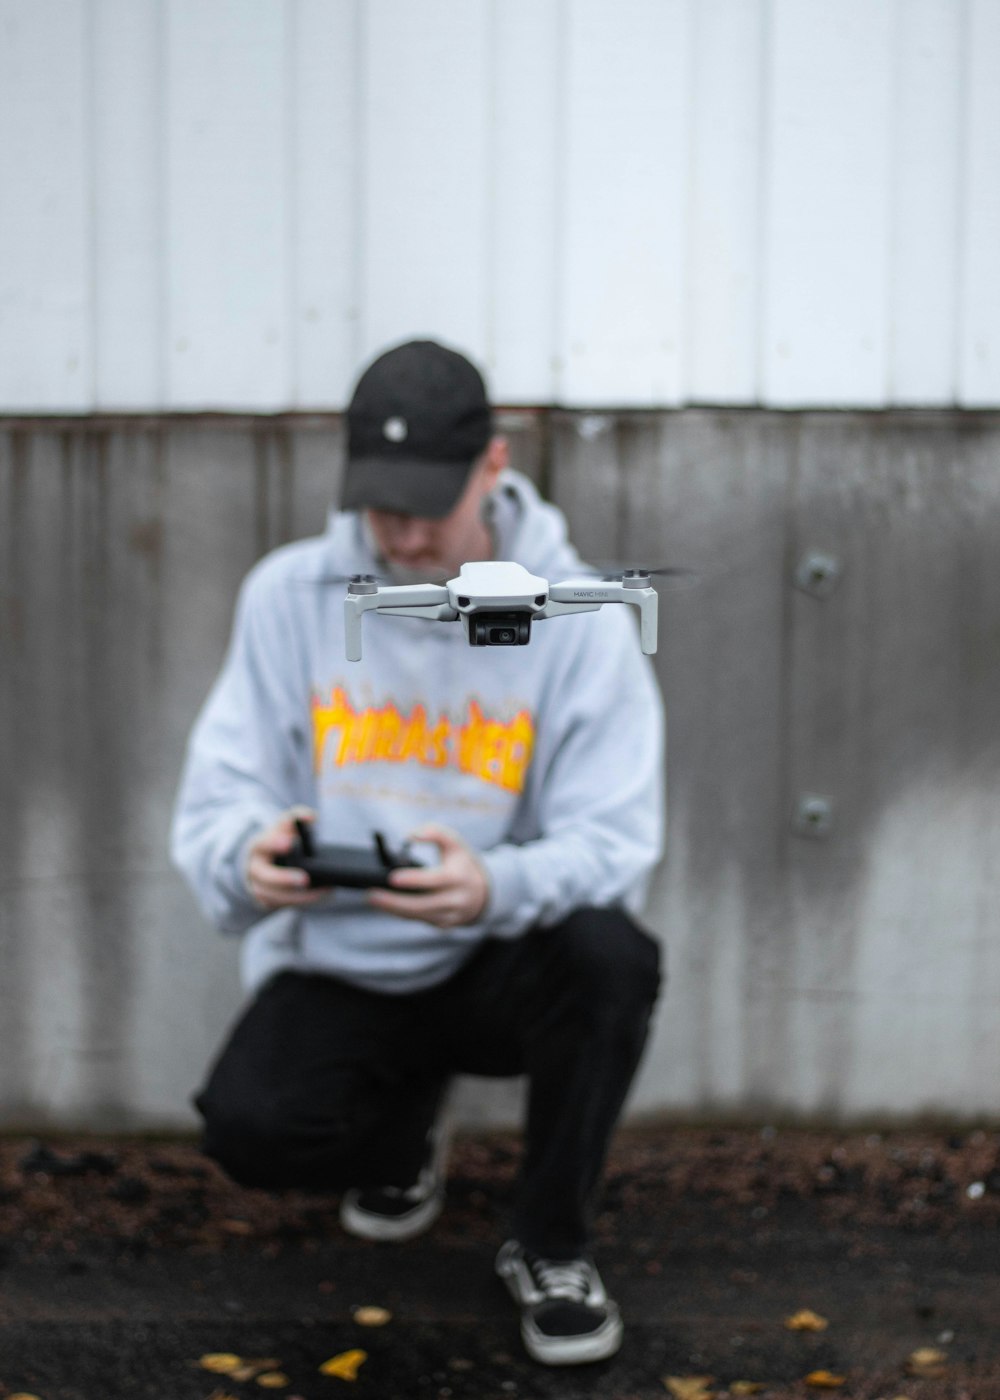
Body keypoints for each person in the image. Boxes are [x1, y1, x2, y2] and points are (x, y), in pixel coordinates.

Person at [171, 339, 665, 1367]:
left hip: (497, 952)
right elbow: (221, 791)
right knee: (252, 1129)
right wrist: (245, 854)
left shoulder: (572, 619)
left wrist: (494, 882)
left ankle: (550, 1242)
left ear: (493, 465)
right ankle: (402, 1139)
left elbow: (615, 838)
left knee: (612, 956)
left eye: (425, 508)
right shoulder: (287, 595)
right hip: (346, 952)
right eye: (377, 505)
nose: (396, 534)